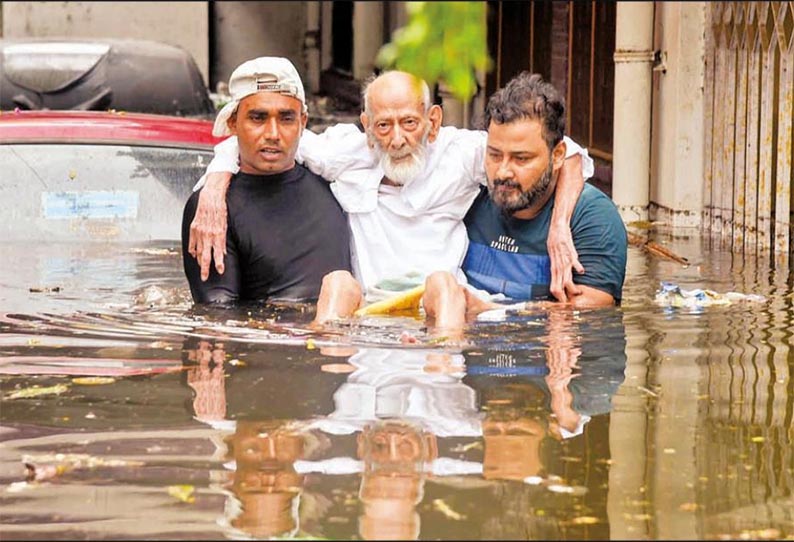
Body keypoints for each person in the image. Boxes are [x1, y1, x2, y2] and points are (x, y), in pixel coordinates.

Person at [187, 69, 594, 318]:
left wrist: (558, 226)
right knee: (337, 284)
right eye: (383, 126)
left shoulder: (464, 153)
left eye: (409, 123)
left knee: (442, 285)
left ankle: (441, 367)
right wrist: (215, 186)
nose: (397, 139)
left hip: (440, 307)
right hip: (367, 310)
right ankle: (318, 359)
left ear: (433, 121)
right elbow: (265, 143)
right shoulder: (344, 151)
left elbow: (570, 154)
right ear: (366, 126)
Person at [422, 72, 628, 329]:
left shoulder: (592, 218)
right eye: (495, 155)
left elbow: (592, 312)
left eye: (521, 159)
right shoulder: (466, 193)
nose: (503, 172)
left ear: (558, 155)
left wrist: (490, 311)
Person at [180, 57, 351, 304]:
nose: (273, 134)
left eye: (286, 118)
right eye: (258, 118)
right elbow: (216, 322)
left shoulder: (338, 181)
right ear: (233, 123)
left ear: (303, 123)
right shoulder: (211, 211)